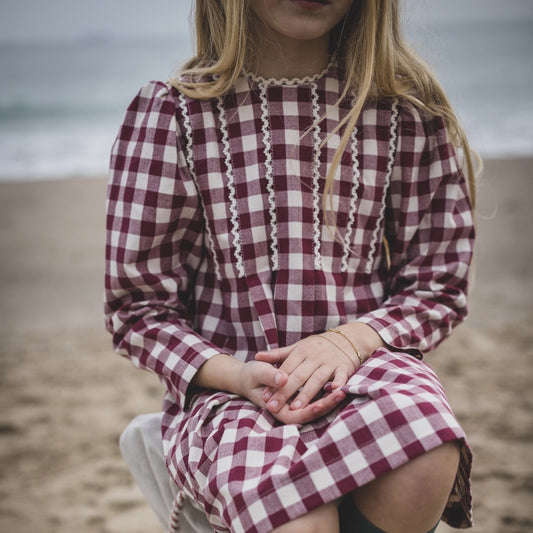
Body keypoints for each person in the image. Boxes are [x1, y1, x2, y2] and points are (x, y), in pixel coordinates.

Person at [105, 1, 477, 532]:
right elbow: (137, 307)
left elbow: (438, 284)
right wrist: (232, 374)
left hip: (368, 364)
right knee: (299, 523)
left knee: (427, 453)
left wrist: (348, 342)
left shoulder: (405, 109)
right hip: (231, 388)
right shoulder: (173, 114)